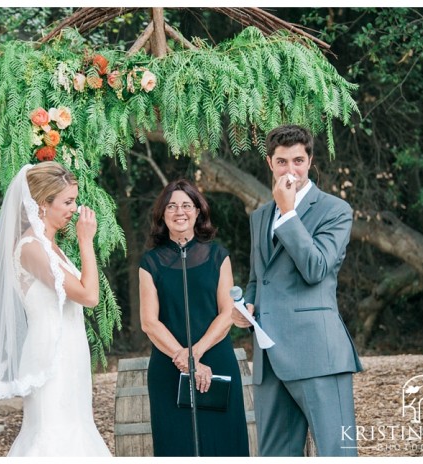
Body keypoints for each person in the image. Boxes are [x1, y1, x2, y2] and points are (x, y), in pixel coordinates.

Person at [232, 124, 362, 456]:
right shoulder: (260, 215)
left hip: (317, 353)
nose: (291, 170)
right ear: (269, 163)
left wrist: (289, 212)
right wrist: (246, 304)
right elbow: (258, 277)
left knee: (337, 452)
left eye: (298, 161)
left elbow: (316, 268)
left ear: (310, 160)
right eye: (282, 162)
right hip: (269, 357)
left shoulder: (335, 210)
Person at [0, 161, 110, 456]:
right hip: (50, 355)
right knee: (52, 433)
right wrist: (86, 241)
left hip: (70, 350)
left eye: (73, 200)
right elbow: (89, 296)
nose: (74, 209)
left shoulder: (51, 248)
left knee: (75, 428)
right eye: (67, 201)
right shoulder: (31, 248)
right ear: (42, 204)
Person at [139, 179, 249, 456]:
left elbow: (227, 313)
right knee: (176, 445)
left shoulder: (218, 256)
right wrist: (184, 359)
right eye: (172, 206)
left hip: (215, 359)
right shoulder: (150, 262)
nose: (180, 211)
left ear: (198, 211)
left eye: (187, 205)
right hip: (168, 364)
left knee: (222, 442)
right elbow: (149, 322)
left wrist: (195, 355)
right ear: (162, 214)